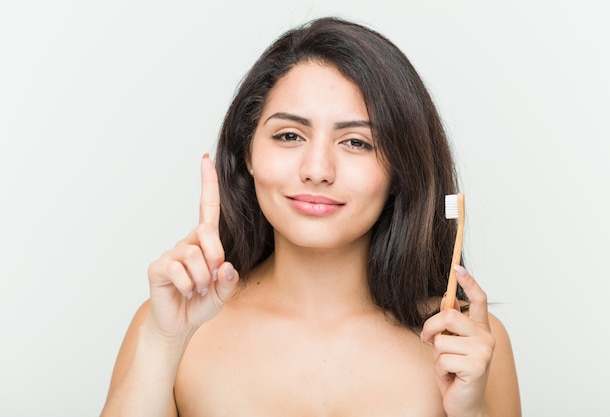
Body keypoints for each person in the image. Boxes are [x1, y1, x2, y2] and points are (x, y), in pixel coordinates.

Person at [100, 16, 521, 417]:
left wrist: (473, 411)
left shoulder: (467, 343)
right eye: (289, 135)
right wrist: (163, 343)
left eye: (356, 142)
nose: (317, 169)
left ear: (400, 170)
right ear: (247, 152)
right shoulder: (172, 327)